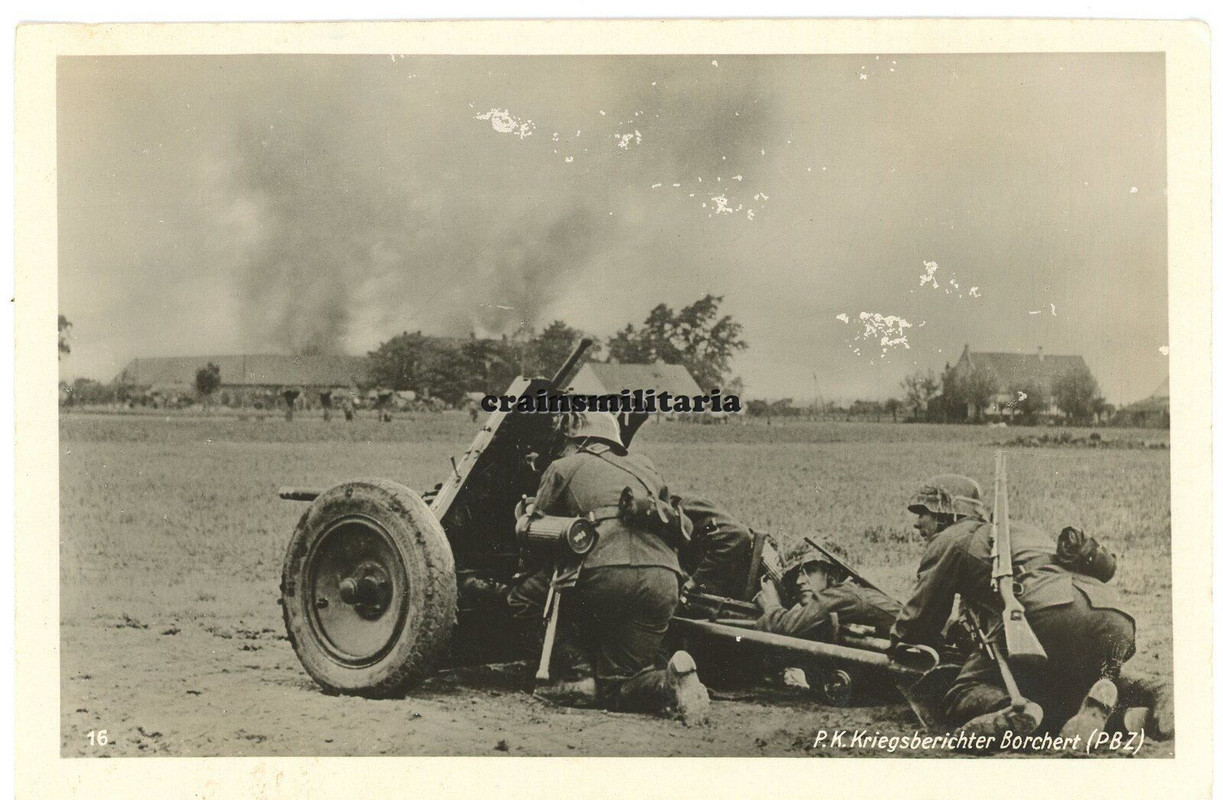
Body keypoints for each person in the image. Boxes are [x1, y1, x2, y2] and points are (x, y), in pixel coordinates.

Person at [890, 474, 1149, 743]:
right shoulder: (1021, 531)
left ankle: (1020, 712)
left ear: (947, 514)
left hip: (1048, 614)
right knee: (1059, 683)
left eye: (924, 512)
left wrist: (897, 644)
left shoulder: (950, 540)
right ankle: (1123, 716)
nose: (917, 522)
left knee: (961, 691)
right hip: (1115, 618)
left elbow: (919, 618)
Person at [507, 410, 710, 725]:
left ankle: (578, 675)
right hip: (662, 580)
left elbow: (534, 535)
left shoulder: (562, 467)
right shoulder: (645, 468)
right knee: (622, 682)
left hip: (603, 575)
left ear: (576, 438)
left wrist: (522, 572)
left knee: (523, 597)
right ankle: (671, 685)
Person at [755, 550, 900, 640]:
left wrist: (771, 604)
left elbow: (785, 629)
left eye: (810, 571)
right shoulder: (842, 595)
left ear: (831, 575)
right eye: (796, 576)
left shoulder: (841, 595)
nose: (799, 581)